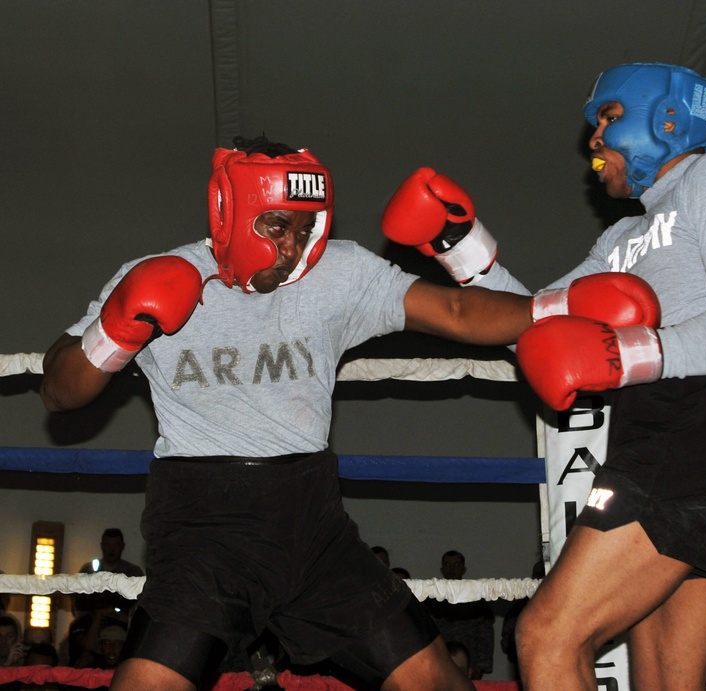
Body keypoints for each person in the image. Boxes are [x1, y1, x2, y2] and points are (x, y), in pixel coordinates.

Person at [39, 135, 655, 691]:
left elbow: (459, 313)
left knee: (438, 682)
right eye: (278, 227)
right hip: (204, 534)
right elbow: (59, 392)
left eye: (306, 229)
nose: (293, 247)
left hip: (314, 527)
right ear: (229, 213)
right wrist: (116, 330)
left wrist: (560, 307)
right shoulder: (154, 276)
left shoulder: (339, 271)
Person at [382, 62, 706, 690]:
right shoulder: (622, 237)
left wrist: (631, 354)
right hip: (655, 435)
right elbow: (536, 322)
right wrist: (457, 243)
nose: (593, 139)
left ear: (668, 117)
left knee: (546, 634)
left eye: (609, 117)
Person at [422, 552, 494, 680]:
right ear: (442, 569)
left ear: (463, 569)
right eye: (448, 564)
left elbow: (485, 635)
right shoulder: (431, 599)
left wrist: (481, 665)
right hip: (439, 663)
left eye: (456, 565)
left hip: (469, 666)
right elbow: (424, 634)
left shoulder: (475, 598)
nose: (452, 569)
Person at [74, 529, 144, 617]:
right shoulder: (88, 570)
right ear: (102, 546)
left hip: (122, 623)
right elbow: (79, 603)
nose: (112, 549)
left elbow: (140, 605)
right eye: (108, 545)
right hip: (91, 623)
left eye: (116, 545)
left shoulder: (133, 573)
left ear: (122, 547)